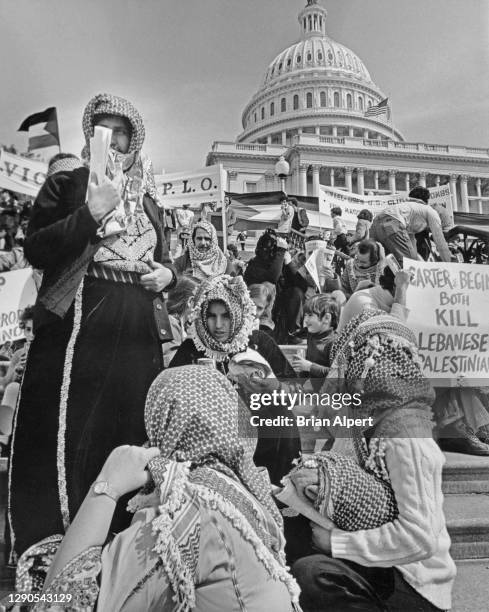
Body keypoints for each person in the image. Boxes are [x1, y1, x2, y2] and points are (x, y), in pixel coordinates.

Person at [8, 93, 176, 561]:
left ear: (134, 139)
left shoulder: (148, 202)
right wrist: (89, 213)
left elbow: (162, 262)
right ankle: (61, 554)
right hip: (81, 324)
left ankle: (121, 547)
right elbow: (38, 247)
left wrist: (169, 275)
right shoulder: (68, 183)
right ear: (90, 136)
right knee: (72, 434)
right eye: (103, 129)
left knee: (126, 431)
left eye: (120, 131)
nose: (112, 139)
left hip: (137, 327)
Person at [16, 366, 301, 611]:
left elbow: (63, 601)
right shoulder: (231, 488)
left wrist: (105, 487)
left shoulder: (188, 506)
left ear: (162, 423)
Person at [291, 310, 456, 612]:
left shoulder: (407, 433)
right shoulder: (366, 418)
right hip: (382, 564)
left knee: (311, 576)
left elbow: (420, 540)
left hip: (414, 581)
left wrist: (336, 543)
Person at [169, 275, 300, 485]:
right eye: (211, 316)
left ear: (237, 314)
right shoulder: (191, 350)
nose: (218, 325)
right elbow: (171, 396)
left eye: (226, 316)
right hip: (211, 439)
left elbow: (294, 390)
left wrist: (271, 386)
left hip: (261, 438)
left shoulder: (258, 342)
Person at [369, 196, 451, 263]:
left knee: (383, 260)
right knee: (408, 263)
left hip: (376, 224)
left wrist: (421, 265)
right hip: (392, 223)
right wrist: (449, 265)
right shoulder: (433, 213)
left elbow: (412, 250)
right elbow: (441, 243)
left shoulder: (414, 214)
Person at [337, 266, 410, 332]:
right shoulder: (364, 302)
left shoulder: (385, 300)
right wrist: (401, 288)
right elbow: (394, 336)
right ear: (395, 287)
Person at [291, 295, 338, 393]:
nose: (306, 320)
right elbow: (307, 366)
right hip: (317, 392)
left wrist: (309, 366)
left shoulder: (334, 343)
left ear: (326, 318)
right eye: (305, 315)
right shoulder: (312, 336)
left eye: (310, 315)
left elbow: (336, 373)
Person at [162, 276, 200, 368]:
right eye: (201, 302)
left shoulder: (180, 323)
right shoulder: (170, 324)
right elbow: (172, 365)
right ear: (190, 302)